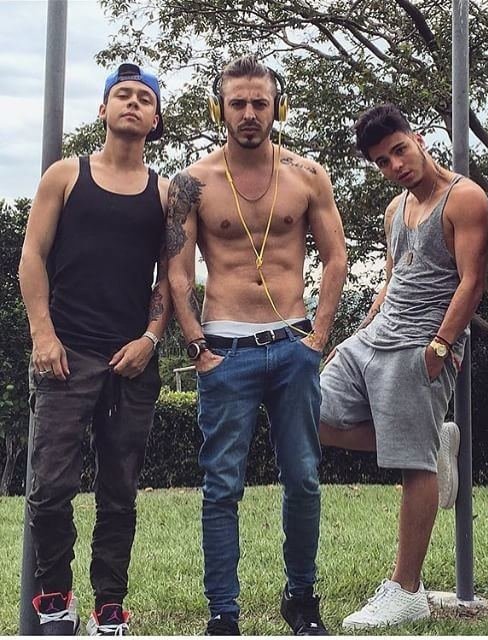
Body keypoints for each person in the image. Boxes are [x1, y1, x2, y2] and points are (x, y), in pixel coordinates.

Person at [166, 55, 347, 636]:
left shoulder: (307, 175)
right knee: (222, 486)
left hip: (293, 345)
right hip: (224, 349)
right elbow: (176, 270)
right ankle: (223, 613)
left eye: (259, 103)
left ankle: (302, 598)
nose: (249, 113)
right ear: (218, 109)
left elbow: (337, 256)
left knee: (304, 478)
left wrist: (318, 336)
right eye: (238, 103)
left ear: (278, 108)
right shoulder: (191, 183)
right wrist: (196, 345)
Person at [319, 103, 488, 629]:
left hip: (421, 345)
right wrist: (359, 331)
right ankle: (428, 443)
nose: (395, 165)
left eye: (399, 150)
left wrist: (441, 345)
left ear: (418, 138)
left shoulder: (464, 198)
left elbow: (472, 281)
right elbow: (393, 276)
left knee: (413, 468)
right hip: (374, 338)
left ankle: (406, 590)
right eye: (382, 161)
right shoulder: (396, 209)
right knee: (304, 411)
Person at [19, 63, 171, 636]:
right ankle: (55, 602)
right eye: (122, 95)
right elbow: (32, 256)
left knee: (119, 492)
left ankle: (110, 607)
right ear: (104, 109)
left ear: (155, 119)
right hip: (65, 354)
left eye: (143, 99)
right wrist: (43, 334)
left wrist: (150, 339)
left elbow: (171, 279)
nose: (132, 104)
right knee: (50, 488)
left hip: (131, 360)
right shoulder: (65, 175)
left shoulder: (165, 194)